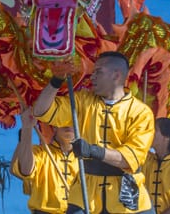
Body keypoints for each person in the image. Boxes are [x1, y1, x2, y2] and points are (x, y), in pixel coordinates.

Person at [33, 51, 155, 214]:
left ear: (116, 75)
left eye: (98, 72)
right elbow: (41, 111)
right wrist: (57, 80)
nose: (93, 77)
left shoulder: (141, 112)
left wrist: (92, 151)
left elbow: (129, 159)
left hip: (126, 198)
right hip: (86, 194)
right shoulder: (82, 101)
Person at [11, 107, 79, 214]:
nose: (68, 124)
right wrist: (27, 127)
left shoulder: (87, 158)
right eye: (64, 118)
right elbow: (25, 170)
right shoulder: (40, 152)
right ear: (54, 126)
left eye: (73, 120)